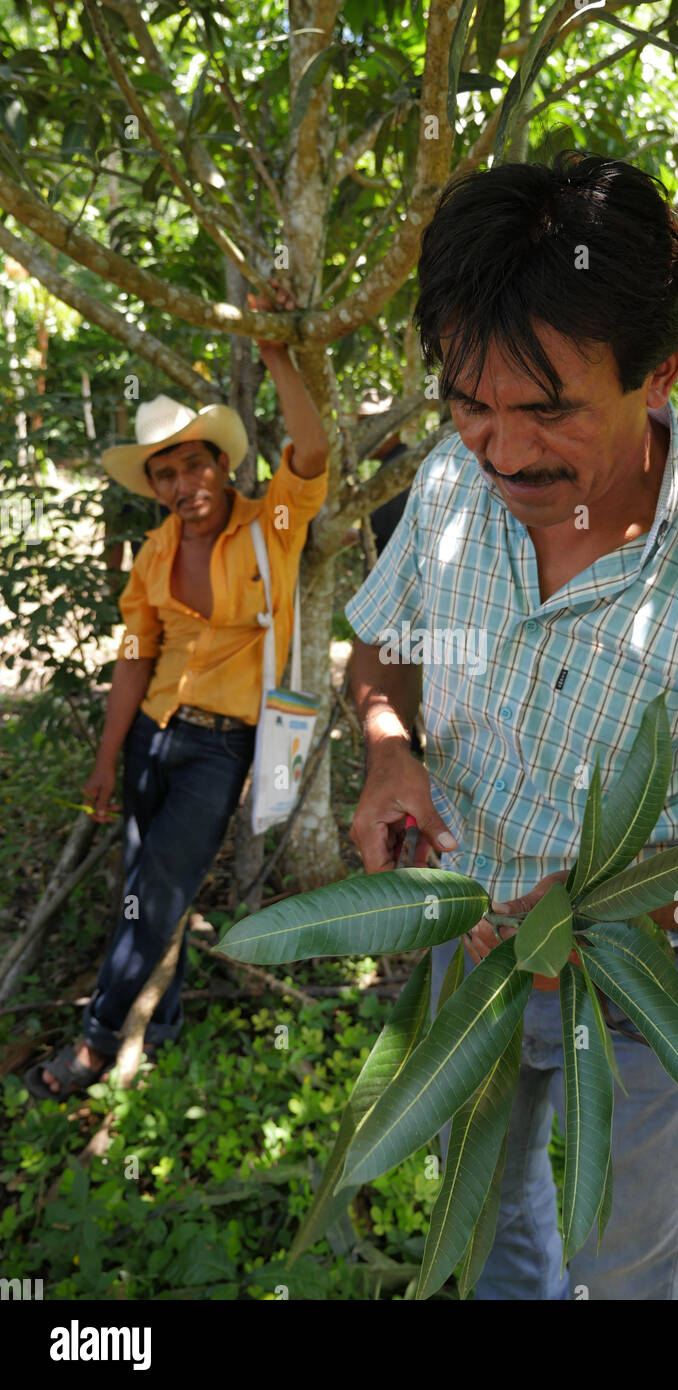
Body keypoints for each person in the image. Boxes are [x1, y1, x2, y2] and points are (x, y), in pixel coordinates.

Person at [344, 151, 678, 1299]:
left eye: (547, 409)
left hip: (642, 993)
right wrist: (389, 748)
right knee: (485, 1214)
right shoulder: (446, 487)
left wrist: (614, 916)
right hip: (467, 951)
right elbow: (385, 646)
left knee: (627, 1261)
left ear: (660, 372)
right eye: (468, 405)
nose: (504, 451)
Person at [25, 285, 329, 1100]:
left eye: (194, 461)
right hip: (149, 736)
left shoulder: (269, 526)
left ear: (221, 464)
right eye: (165, 472)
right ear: (154, 486)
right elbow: (134, 653)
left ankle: (92, 1046)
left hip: (220, 745)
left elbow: (312, 448)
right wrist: (104, 757)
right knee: (144, 889)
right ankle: (160, 1022)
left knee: (158, 887)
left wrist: (276, 356)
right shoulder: (156, 551)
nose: (183, 480)